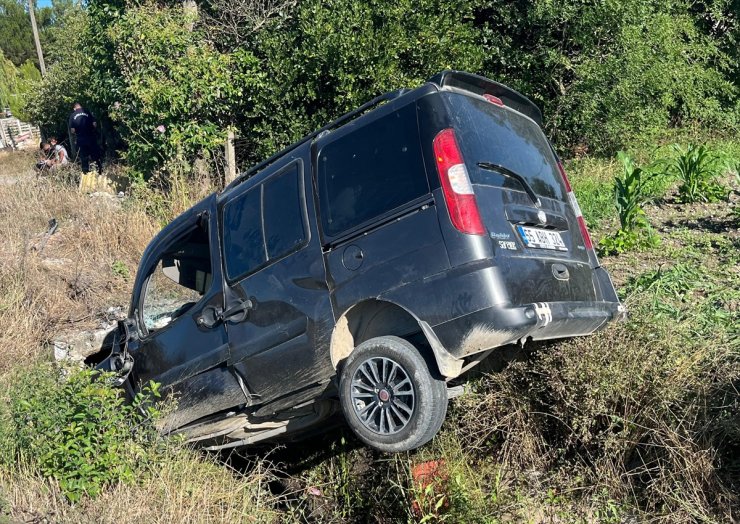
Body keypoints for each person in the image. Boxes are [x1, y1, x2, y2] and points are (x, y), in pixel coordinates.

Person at [68, 102, 102, 174]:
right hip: (91, 136)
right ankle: (99, 170)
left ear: (74, 108)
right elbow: (94, 124)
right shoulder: (87, 112)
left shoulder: (72, 115)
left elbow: (72, 130)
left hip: (81, 138)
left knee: (84, 156)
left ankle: (85, 172)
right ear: (81, 106)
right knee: (94, 153)